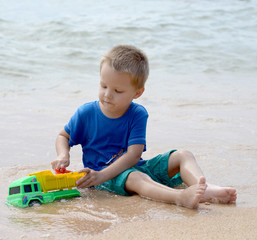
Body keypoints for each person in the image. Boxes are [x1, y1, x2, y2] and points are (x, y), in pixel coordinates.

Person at [51, 45, 237, 209]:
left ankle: (202, 188)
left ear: (137, 93)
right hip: (102, 178)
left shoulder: (138, 114)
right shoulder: (86, 113)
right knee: (135, 178)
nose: (108, 94)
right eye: (103, 86)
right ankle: (180, 197)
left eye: (118, 91)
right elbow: (63, 136)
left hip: (135, 167)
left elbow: (133, 155)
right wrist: (63, 155)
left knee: (183, 155)